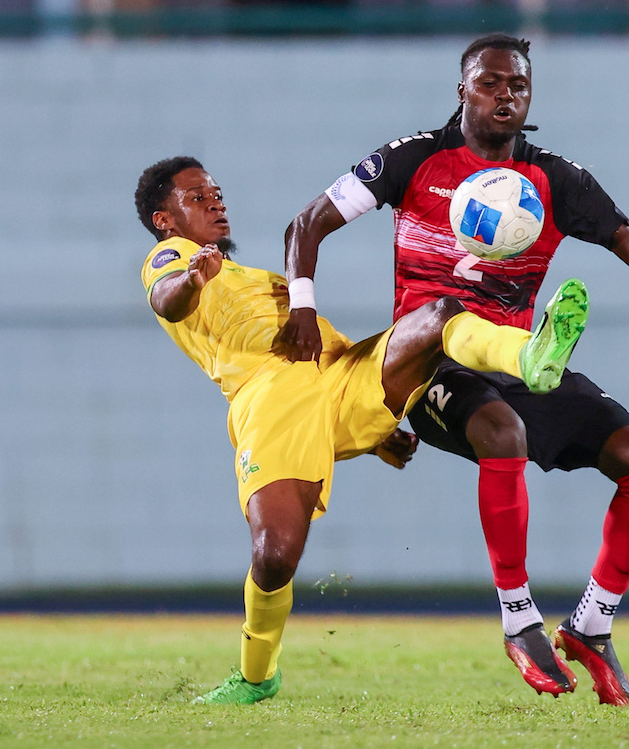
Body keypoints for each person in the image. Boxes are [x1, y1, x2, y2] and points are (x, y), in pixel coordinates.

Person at [283, 34, 629, 706]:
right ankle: (517, 618)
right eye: (490, 83)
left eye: (518, 87)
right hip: (430, 364)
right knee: (502, 432)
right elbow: (305, 224)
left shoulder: (557, 178)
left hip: (515, 365)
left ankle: (592, 625)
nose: (505, 95)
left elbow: (628, 242)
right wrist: (302, 303)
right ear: (462, 91)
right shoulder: (412, 159)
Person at [135, 156, 589, 705]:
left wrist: (374, 435)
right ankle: (257, 676)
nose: (216, 201)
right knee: (275, 554)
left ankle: (528, 353)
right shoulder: (173, 256)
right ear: (164, 219)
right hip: (272, 398)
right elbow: (166, 299)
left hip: (340, 374)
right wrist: (190, 276)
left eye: (217, 191)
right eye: (197, 196)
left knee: (439, 314)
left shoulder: (254, 279)